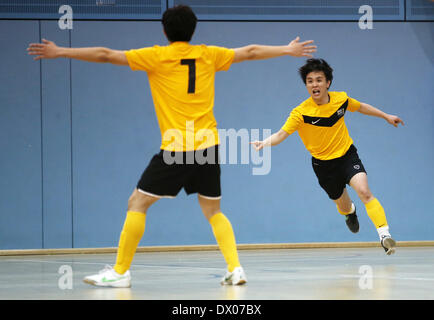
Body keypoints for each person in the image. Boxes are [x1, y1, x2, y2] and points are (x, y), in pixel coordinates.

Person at [27, 5, 317, 287]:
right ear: (193, 30)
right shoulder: (208, 54)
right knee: (213, 210)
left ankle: (120, 272)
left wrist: (60, 51)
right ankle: (235, 267)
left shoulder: (155, 56)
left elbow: (105, 54)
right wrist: (286, 49)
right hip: (209, 145)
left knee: (137, 203)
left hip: (177, 148)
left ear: (164, 30)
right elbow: (250, 51)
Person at [251, 58, 403, 255]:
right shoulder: (300, 113)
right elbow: (281, 134)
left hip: (347, 156)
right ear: (306, 85)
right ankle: (350, 213)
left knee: (364, 191)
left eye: (319, 80)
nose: (315, 84)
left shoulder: (341, 99)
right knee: (343, 205)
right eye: (310, 81)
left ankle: (384, 235)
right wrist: (265, 142)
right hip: (323, 166)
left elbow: (361, 106)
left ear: (328, 83)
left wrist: (386, 116)